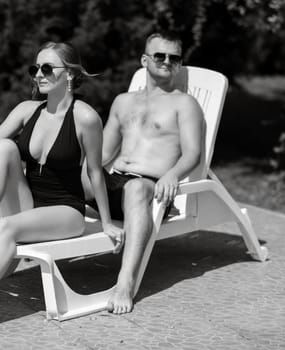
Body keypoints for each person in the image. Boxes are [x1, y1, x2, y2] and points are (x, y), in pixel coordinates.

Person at [0, 42, 124, 344]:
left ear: (70, 75)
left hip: (65, 210)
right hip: (29, 203)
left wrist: (107, 222)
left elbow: (95, 172)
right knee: (4, 147)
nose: (38, 74)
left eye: (47, 68)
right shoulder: (27, 109)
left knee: (9, 227)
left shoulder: (86, 118)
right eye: (34, 68)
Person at [84, 31, 204, 315]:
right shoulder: (123, 101)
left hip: (150, 188)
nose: (166, 62)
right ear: (144, 60)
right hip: (114, 183)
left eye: (174, 58)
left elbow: (193, 153)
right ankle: (21, 221)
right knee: (69, 170)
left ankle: (125, 282)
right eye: (159, 55)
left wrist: (173, 174)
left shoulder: (184, 104)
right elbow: (102, 154)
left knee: (135, 188)